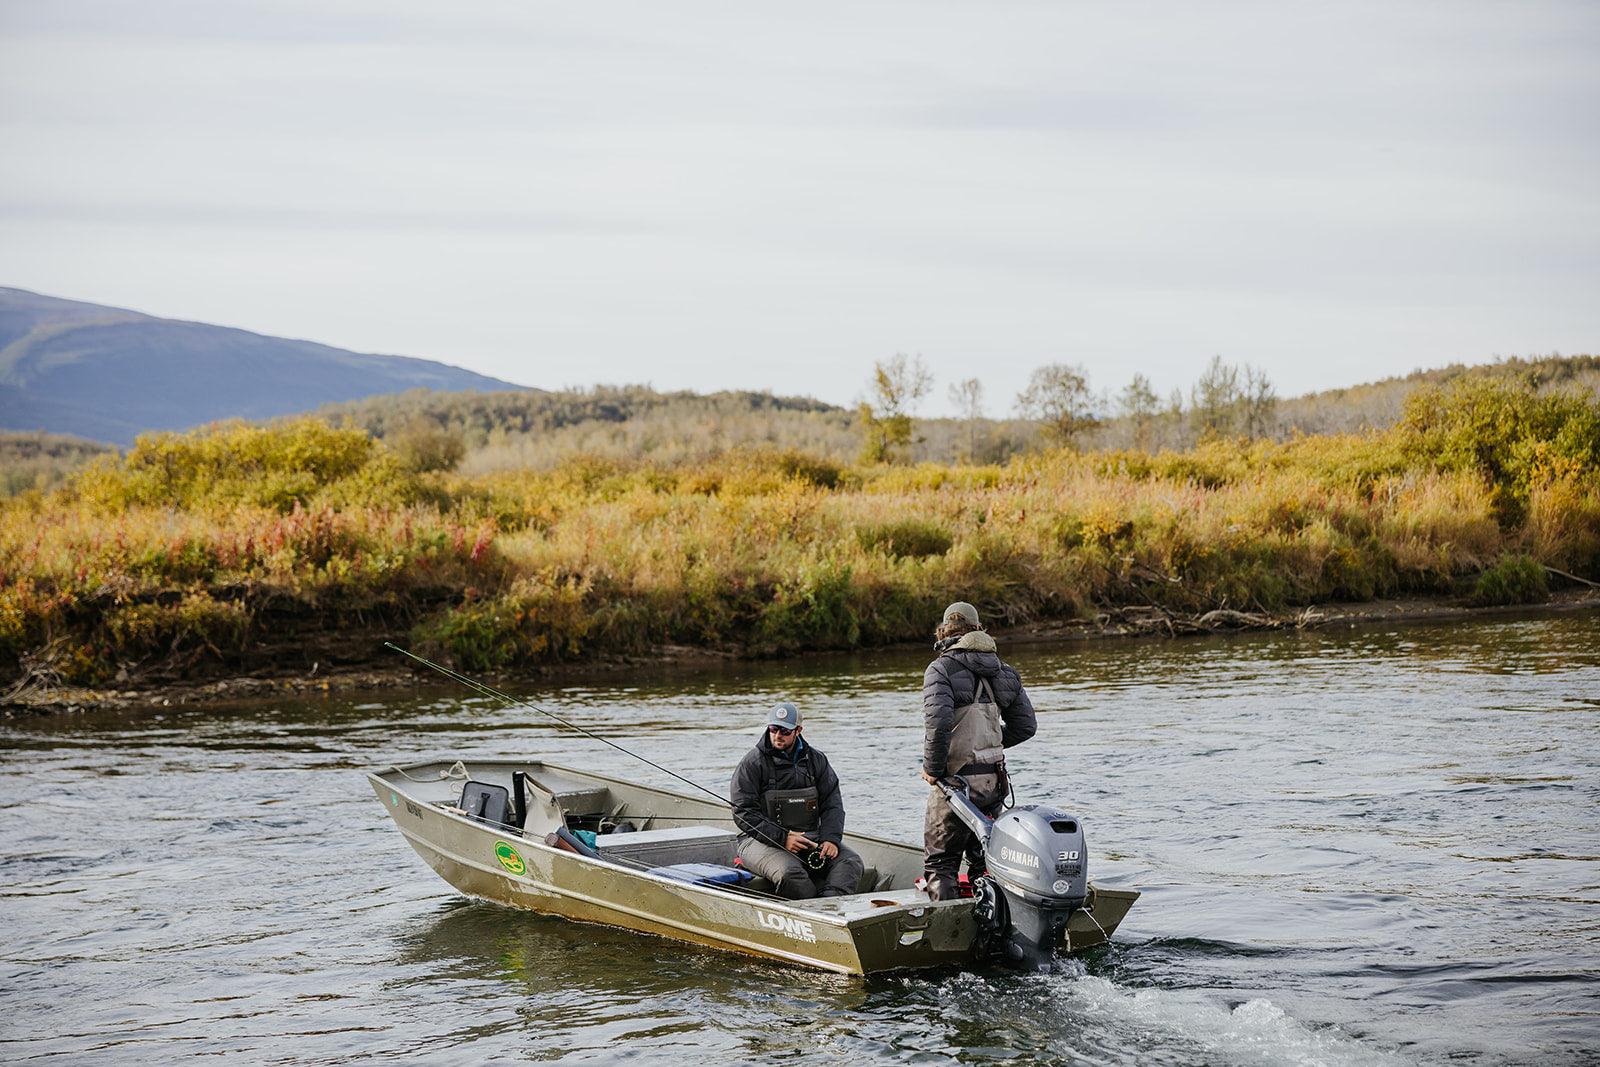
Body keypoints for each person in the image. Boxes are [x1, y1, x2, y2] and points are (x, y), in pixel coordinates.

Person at [919, 601, 1036, 900]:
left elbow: (939, 727)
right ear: (979, 629)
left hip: (956, 786)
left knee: (941, 864)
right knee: (985, 861)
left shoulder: (940, 669)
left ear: (944, 631)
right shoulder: (1004, 671)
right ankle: (993, 927)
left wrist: (932, 770)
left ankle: (946, 939)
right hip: (994, 784)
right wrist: (990, 743)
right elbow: (1025, 727)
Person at [730, 701, 866, 899]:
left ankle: (830, 909)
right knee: (790, 874)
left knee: (851, 862)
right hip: (759, 841)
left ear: (798, 730)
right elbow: (742, 813)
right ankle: (811, 915)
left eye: (785, 731)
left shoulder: (817, 760)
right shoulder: (751, 763)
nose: (778, 735)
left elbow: (833, 804)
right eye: (773, 729)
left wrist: (830, 839)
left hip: (811, 837)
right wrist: (783, 838)